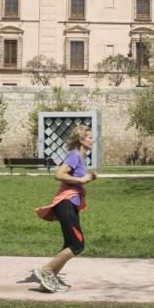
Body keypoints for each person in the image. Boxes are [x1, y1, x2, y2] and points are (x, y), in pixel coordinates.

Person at [33, 124, 98, 292]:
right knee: (77, 244)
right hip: (66, 203)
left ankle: (47, 282)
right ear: (82, 140)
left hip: (71, 204)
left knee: (69, 243)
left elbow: (76, 178)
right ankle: (46, 270)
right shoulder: (74, 155)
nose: (93, 140)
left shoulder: (80, 158)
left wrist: (88, 178)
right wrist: (82, 180)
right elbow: (59, 174)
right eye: (90, 137)